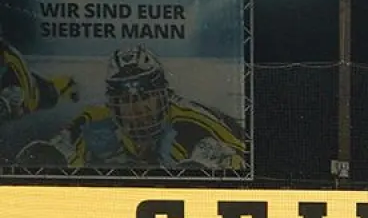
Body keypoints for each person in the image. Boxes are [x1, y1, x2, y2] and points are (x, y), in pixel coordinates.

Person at [20, 46, 245, 169]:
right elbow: (51, 152)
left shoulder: (190, 121)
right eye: (126, 100)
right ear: (113, 105)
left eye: (144, 96)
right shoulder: (93, 122)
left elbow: (243, 154)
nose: (137, 108)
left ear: (163, 95)